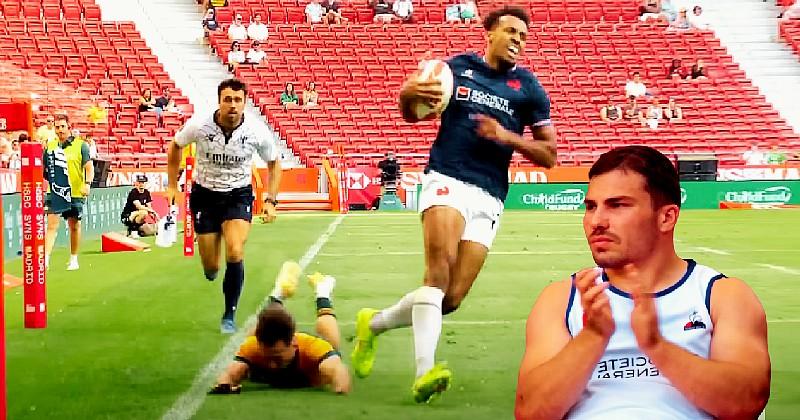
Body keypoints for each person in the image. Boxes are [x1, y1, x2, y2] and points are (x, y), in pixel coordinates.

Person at [351, 6, 556, 403]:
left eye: (523, 37)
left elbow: (549, 155)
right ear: (490, 33)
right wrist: (407, 94)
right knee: (437, 270)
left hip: (491, 194)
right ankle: (424, 373)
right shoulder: (453, 70)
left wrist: (506, 136)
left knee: (451, 299)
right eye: (511, 32)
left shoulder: (528, 88)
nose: (518, 40)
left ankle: (373, 325)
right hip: (446, 177)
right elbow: (412, 114)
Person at [514, 146, 770, 419]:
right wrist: (592, 337)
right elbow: (531, 412)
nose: (596, 221)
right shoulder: (563, 298)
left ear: (666, 217)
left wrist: (656, 346)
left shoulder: (720, 296)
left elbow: (746, 403)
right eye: (590, 207)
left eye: (617, 205)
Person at [166, 79, 282, 334]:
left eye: (237, 100)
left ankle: (229, 313)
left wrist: (271, 201)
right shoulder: (200, 125)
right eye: (227, 99)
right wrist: (172, 185)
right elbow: (175, 145)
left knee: (235, 250)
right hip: (205, 196)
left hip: (237, 196)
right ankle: (211, 269)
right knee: (212, 267)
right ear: (219, 101)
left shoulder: (256, 131)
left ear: (245, 103)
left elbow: (274, 163)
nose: (232, 105)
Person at [210, 270, 350, 394]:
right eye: (267, 357)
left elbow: (339, 375)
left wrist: (336, 378)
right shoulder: (253, 347)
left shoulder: (314, 349)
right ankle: (278, 293)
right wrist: (225, 384)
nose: (272, 365)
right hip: (261, 342)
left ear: (294, 343)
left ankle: (322, 292)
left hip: (314, 358)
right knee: (253, 331)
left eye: (277, 357)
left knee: (331, 339)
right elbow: (230, 373)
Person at [43, 115, 93, 271]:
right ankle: (45, 260)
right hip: (55, 191)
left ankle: (73, 258)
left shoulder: (81, 146)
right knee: (51, 226)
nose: (60, 130)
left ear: (69, 127)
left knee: (74, 226)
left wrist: (87, 183)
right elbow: (45, 170)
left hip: (75, 192)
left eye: (62, 126)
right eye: (57, 127)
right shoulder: (49, 146)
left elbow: (89, 167)